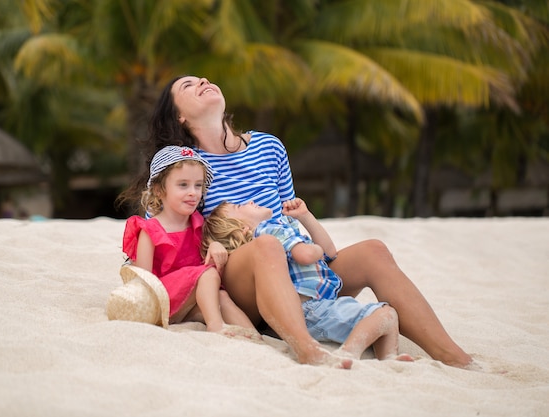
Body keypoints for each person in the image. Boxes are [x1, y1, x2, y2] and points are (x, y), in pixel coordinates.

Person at [122, 75, 473, 368]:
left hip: (299, 273)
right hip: (244, 282)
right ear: (179, 117)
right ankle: (306, 349)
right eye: (188, 86)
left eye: (204, 79)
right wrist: (208, 245)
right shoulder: (184, 167)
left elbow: (290, 215)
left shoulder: (269, 147)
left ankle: (454, 357)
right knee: (267, 245)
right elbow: (165, 232)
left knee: (374, 251)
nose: (202, 81)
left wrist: (310, 237)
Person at [203, 198, 415, 368]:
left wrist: (305, 217)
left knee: (385, 317)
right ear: (243, 230)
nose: (250, 201)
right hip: (312, 308)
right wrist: (315, 250)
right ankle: (349, 353)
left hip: (314, 308)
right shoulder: (270, 229)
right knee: (386, 313)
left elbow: (331, 252)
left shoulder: (277, 230)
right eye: (240, 206)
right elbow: (307, 255)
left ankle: (388, 360)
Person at [118, 145, 260, 340]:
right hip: (162, 300)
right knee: (207, 272)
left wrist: (214, 244)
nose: (193, 192)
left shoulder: (198, 223)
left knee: (222, 297)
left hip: (190, 300)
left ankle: (255, 337)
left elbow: (212, 247)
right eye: (183, 185)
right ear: (159, 190)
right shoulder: (150, 230)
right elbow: (145, 281)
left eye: (198, 185)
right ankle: (215, 326)